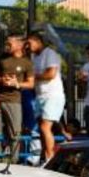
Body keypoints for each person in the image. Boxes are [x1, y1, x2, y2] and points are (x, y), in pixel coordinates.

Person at [0, 35, 33, 163]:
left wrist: (17, 84)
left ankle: (13, 160)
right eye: (6, 42)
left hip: (14, 101)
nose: (6, 44)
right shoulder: (2, 58)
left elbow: (31, 83)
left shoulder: (26, 62)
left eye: (9, 42)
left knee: (15, 132)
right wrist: (1, 79)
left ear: (19, 45)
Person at [28, 31, 65, 162]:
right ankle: (45, 157)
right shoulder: (34, 56)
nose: (28, 45)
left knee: (45, 126)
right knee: (41, 129)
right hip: (40, 96)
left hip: (52, 96)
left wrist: (33, 77)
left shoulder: (50, 53)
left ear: (38, 41)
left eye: (30, 42)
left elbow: (51, 74)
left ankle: (51, 159)